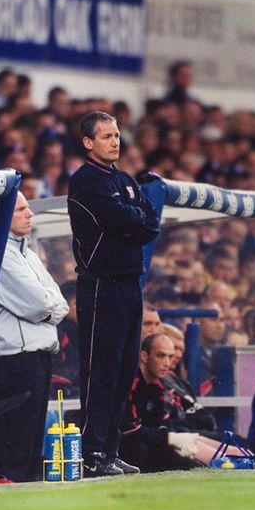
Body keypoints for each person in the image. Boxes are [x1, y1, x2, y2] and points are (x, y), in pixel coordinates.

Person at [68, 111, 160, 477]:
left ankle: (111, 449)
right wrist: (132, 217)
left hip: (129, 284)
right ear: (88, 142)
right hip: (101, 284)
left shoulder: (124, 178)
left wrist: (132, 217)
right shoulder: (86, 181)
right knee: (100, 370)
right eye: (106, 136)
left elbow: (150, 223)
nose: (115, 141)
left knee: (124, 370)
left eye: (117, 135)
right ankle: (92, 452)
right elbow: (121, 219)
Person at [0, 192, 69, 482]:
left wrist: (46, 308)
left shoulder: (28, 254)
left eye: (28, 207)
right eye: (21, 209)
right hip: (14, 359)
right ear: (3, 217)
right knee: (15, 448)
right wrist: (47, 309)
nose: (29, 213)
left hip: (39, 356)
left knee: (33, 447)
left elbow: (60, 303)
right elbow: (40, 303)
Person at [119, 333, 247, 472]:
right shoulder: (130, 383)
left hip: (159, 438)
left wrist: (176, 437)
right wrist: (171, 437)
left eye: (170, 356)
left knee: (200, 458)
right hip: (126, 446)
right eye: (161, 356)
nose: (167, 363)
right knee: (142, 450)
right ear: (144, 356)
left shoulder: (157, 386)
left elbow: (159, 424)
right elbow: (128, 430)